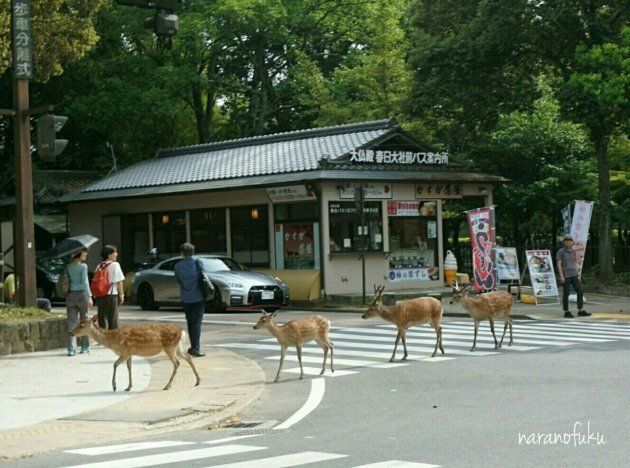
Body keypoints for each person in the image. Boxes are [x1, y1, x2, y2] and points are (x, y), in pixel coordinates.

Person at [174, 242, 205, 357]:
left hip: (185, 297)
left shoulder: (177, 266)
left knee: (190, 322)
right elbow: (203, 276)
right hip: (198, 296)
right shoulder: (197, 263)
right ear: (193, 252)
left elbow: (179, 280)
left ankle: (193, 347)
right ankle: (195, 348)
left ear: (182, 253)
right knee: (196, 323)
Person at [65, 248, 93, 356]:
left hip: (71, 294)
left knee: (71, 322)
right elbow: (85, 282)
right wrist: (89, 296)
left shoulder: (68, 266)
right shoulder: (83, 266)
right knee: (84, 321)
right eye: (84, 253)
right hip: (82, 294)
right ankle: (84, 346)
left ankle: (71, 349)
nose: (85, 254)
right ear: (78, 254)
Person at [556, 235, 591, 318]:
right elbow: (558, 264)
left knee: (580, 291)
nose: (568, 242)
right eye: (566, 240)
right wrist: (561, 275)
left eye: (570, 240)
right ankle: (566, 311)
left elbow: (574, 263)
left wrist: (578, 274)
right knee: (566, 293)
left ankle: (580, 310)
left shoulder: (573, 251)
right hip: (566, 275)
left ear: (572, 242)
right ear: (564, 242)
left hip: (574, 274)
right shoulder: (561, 251)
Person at [95, 245, 125, 329]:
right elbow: (119, 282)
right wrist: (121, 295)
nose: (117, 254)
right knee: (112, 320)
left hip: (100, 296)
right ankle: (112, 339)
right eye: (115, 252)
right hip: (111, 295)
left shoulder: (99, 266)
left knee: (102, 320)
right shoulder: (115, 265)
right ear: (109, 255)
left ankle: (103, 338)